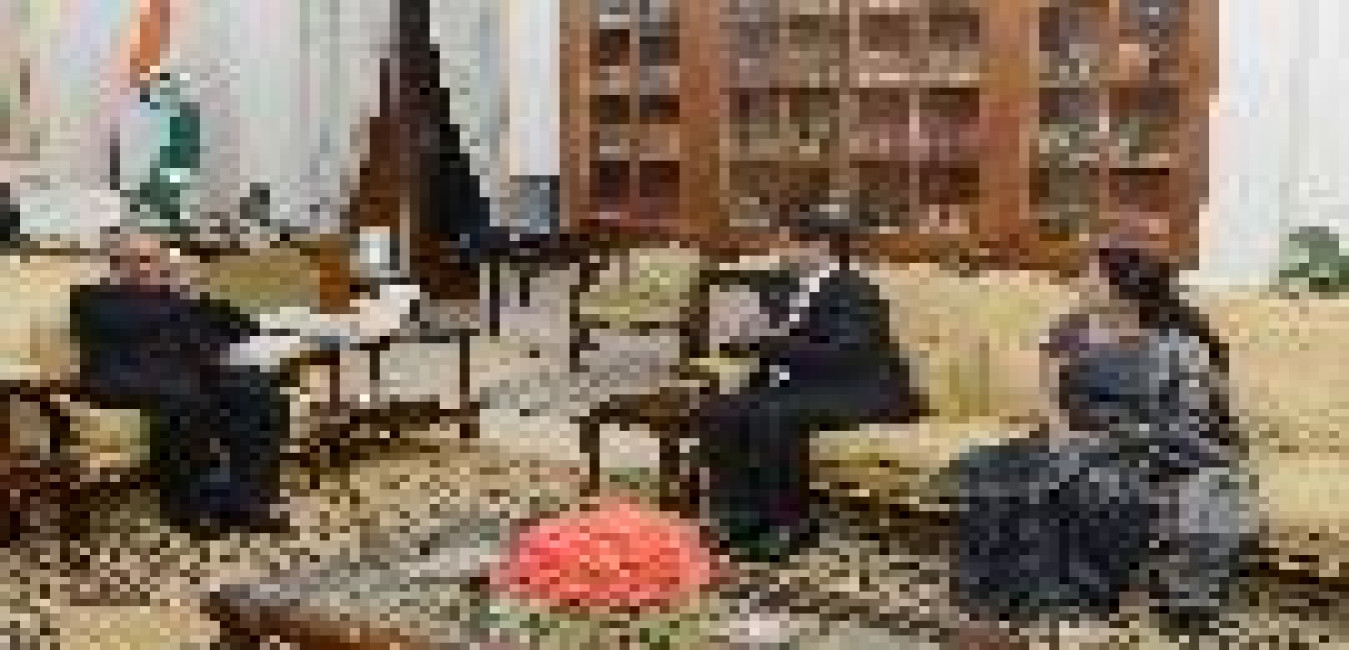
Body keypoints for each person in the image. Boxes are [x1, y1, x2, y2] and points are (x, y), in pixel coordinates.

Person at [948, 241, 1253, 648]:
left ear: (1120, 291)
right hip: (1079, 433)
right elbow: (1050, 394)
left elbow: (1196, 415)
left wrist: (1116, 440)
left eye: (1091, 276)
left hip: (1152, 440)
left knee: (1097, 486)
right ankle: (993, 606)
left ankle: (1068, 606)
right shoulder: (1071, 329)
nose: (1081, 282)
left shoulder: (1181, 343)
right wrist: (1064, 436)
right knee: (1003, 476)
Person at [696, 207, 930, 563]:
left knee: (774, 416)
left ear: (820, 247)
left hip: (863, 390)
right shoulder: (780, 286)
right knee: (721, 410)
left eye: (788, 244)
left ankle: (791, 524)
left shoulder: (855, 291)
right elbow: (754, 339)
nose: (780, 252)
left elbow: (841, 356)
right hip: (805, 387)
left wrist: (767, 342)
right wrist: (737, 338)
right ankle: (737, 519)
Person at [69, 228, 288, 536]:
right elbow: (139, 323)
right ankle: (188, 508)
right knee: (185, 398)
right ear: (117, 265)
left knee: (257, 390)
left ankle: (248, 502)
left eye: (157, 259)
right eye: (143, 260)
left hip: (187, 374)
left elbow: (242, 327)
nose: (153, 267)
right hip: (126, 376)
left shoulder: (176, 297)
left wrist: (196, 296)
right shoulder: (92, 298)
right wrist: (176, 297)